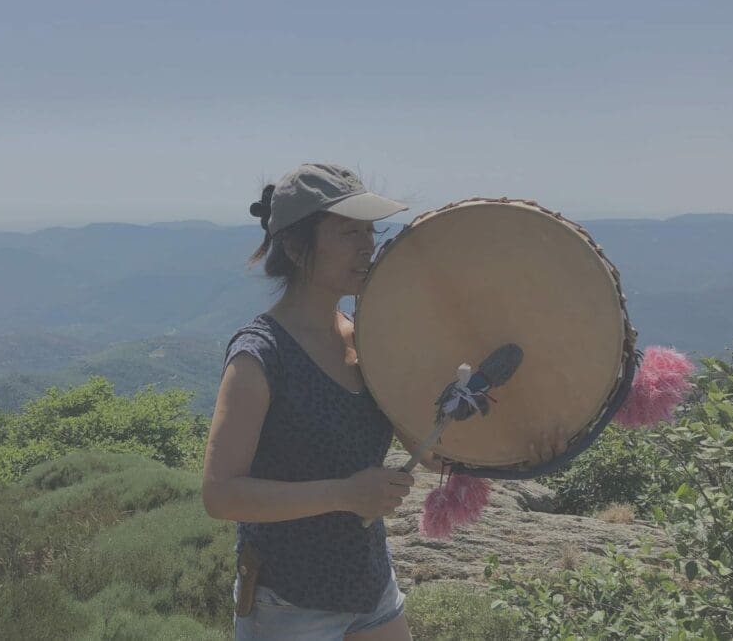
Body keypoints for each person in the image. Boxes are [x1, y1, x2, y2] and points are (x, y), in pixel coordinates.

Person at [202, 163, 565, 640]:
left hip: (370, 587)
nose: (368, 245)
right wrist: (344, 493)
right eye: (348, 232)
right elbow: (220, 494)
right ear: (295, 247)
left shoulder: (369, 338)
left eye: (370, 230)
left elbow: (431, 447)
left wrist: (523, 449)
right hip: (287, 604)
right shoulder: (260, 357)